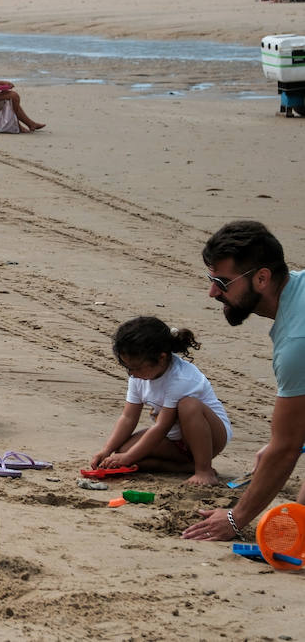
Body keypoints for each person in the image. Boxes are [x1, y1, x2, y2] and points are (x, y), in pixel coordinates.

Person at [184, 222, 305, 542]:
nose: (212, 292)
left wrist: (235, 519)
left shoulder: (297, 342)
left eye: (222, 282)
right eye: (211, 280)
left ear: (262, 278)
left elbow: (285, 449)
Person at [91, 316, 231, 485]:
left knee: (188, 405)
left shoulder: (181, 378)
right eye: (128, 368)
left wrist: (128, 457)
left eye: (136, 368)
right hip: (173, 441)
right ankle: (182, 467)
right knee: (122, 451)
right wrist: (107, 451)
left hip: (209, 437)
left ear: (161, 358)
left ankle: (203, 470)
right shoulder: (138, 377)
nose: (132, 373)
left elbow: (161, 426)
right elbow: (128, 418)